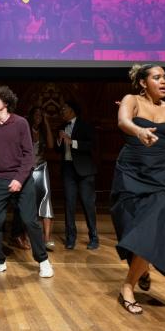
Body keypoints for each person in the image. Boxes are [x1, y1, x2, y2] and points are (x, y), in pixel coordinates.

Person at [112, 64, 165, 315]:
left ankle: (128, 287)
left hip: (162, 174)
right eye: (157, 77)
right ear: (143, 83)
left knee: (155, 223)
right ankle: (140, 265)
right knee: (131, 226)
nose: (164, 81)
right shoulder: (131, 100)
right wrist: (139, 130)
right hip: (131, 171)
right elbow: (122, 121)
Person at [0, 86, 54, 278]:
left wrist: (19, 180)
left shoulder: (20, 123)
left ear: (6, 102)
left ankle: (43, 260)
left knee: (29, 220)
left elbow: (29, 155)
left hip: (22, 178)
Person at [58, 100, 99, 250]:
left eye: (64, 108)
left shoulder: (85, 125)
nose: (62, 111)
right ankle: (70, 238)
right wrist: (59, 140)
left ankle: (94, 238)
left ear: (72, 111)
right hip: (68, 169)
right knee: (69, 205)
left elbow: (91, 145)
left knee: (88, 205)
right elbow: (58, 150)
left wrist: (72, 142)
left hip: (85, 171)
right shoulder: (61, 127)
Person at [28, 106, 55, 250]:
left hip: (41, 168)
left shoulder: (44, 131)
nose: (38, 117)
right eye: (36, 114)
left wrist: (46, 122)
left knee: (46, 200)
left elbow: (51, 145)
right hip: (27, 170)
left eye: (41, 115)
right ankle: (28, 237)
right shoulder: (25, 129)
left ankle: (47, 239)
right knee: (29, 202)